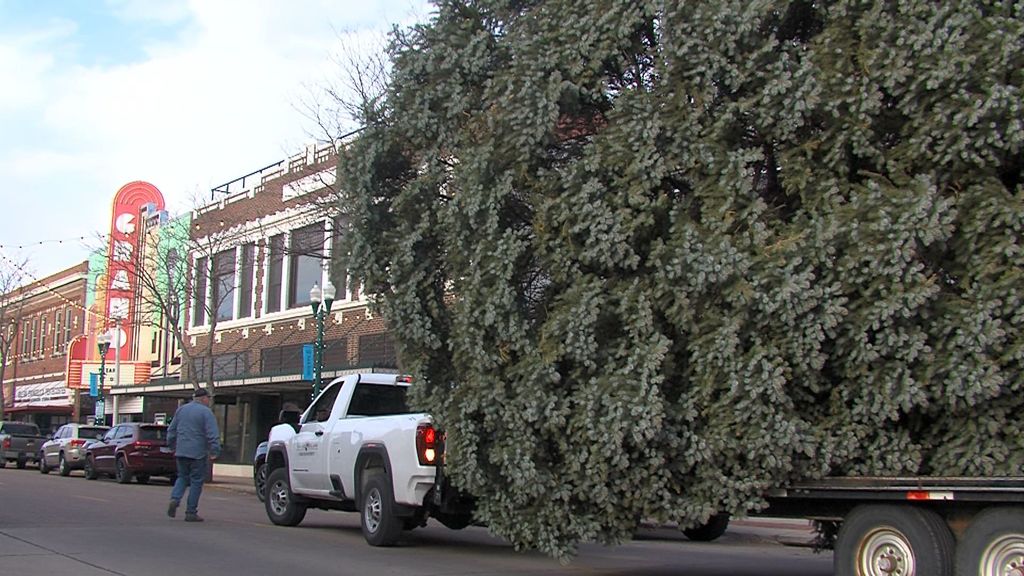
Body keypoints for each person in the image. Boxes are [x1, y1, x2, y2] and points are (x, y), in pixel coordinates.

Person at [166, 387, 221, 522]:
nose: (209, 400)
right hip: (197, 453)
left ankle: (175, 498)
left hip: (181, 451)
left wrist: (172, 446)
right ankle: (191, 512)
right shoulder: (206, 412)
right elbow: (212, 433)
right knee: (196, 481)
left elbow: (171, 430)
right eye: (208, 398)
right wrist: (215, 450)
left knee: (182, 477)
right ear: (204, 398)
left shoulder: (181, 410)